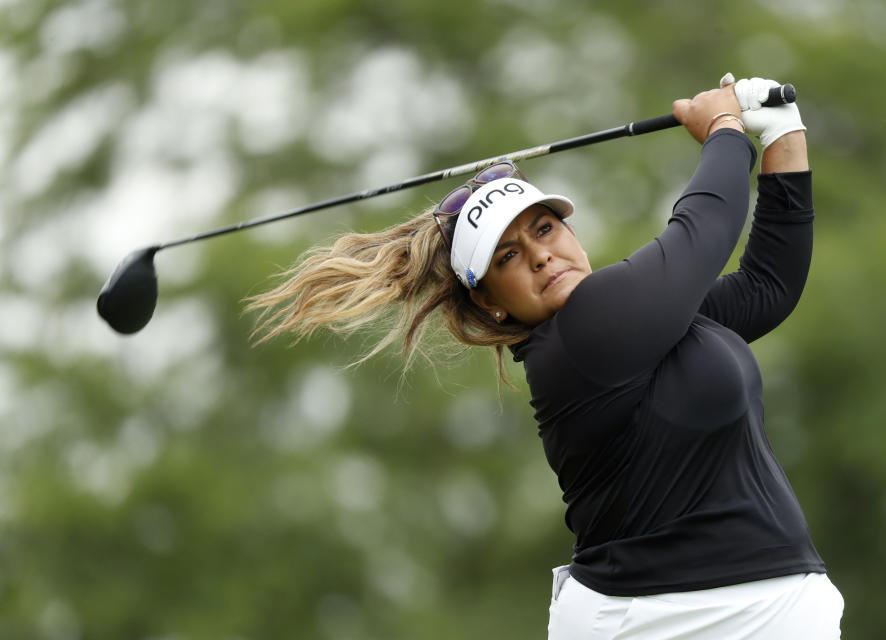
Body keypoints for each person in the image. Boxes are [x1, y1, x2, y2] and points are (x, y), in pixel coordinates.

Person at [246, 74, 844, 639]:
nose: (537, 255)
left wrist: (783, 134)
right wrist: (724, 131)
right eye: (506, 257)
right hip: (658, 622)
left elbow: (769, 285)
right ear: (490, 303)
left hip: (763, 610)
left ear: (571, 233)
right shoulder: (581, 338)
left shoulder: (648, 322)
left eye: (544, 228)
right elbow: (706, 226)